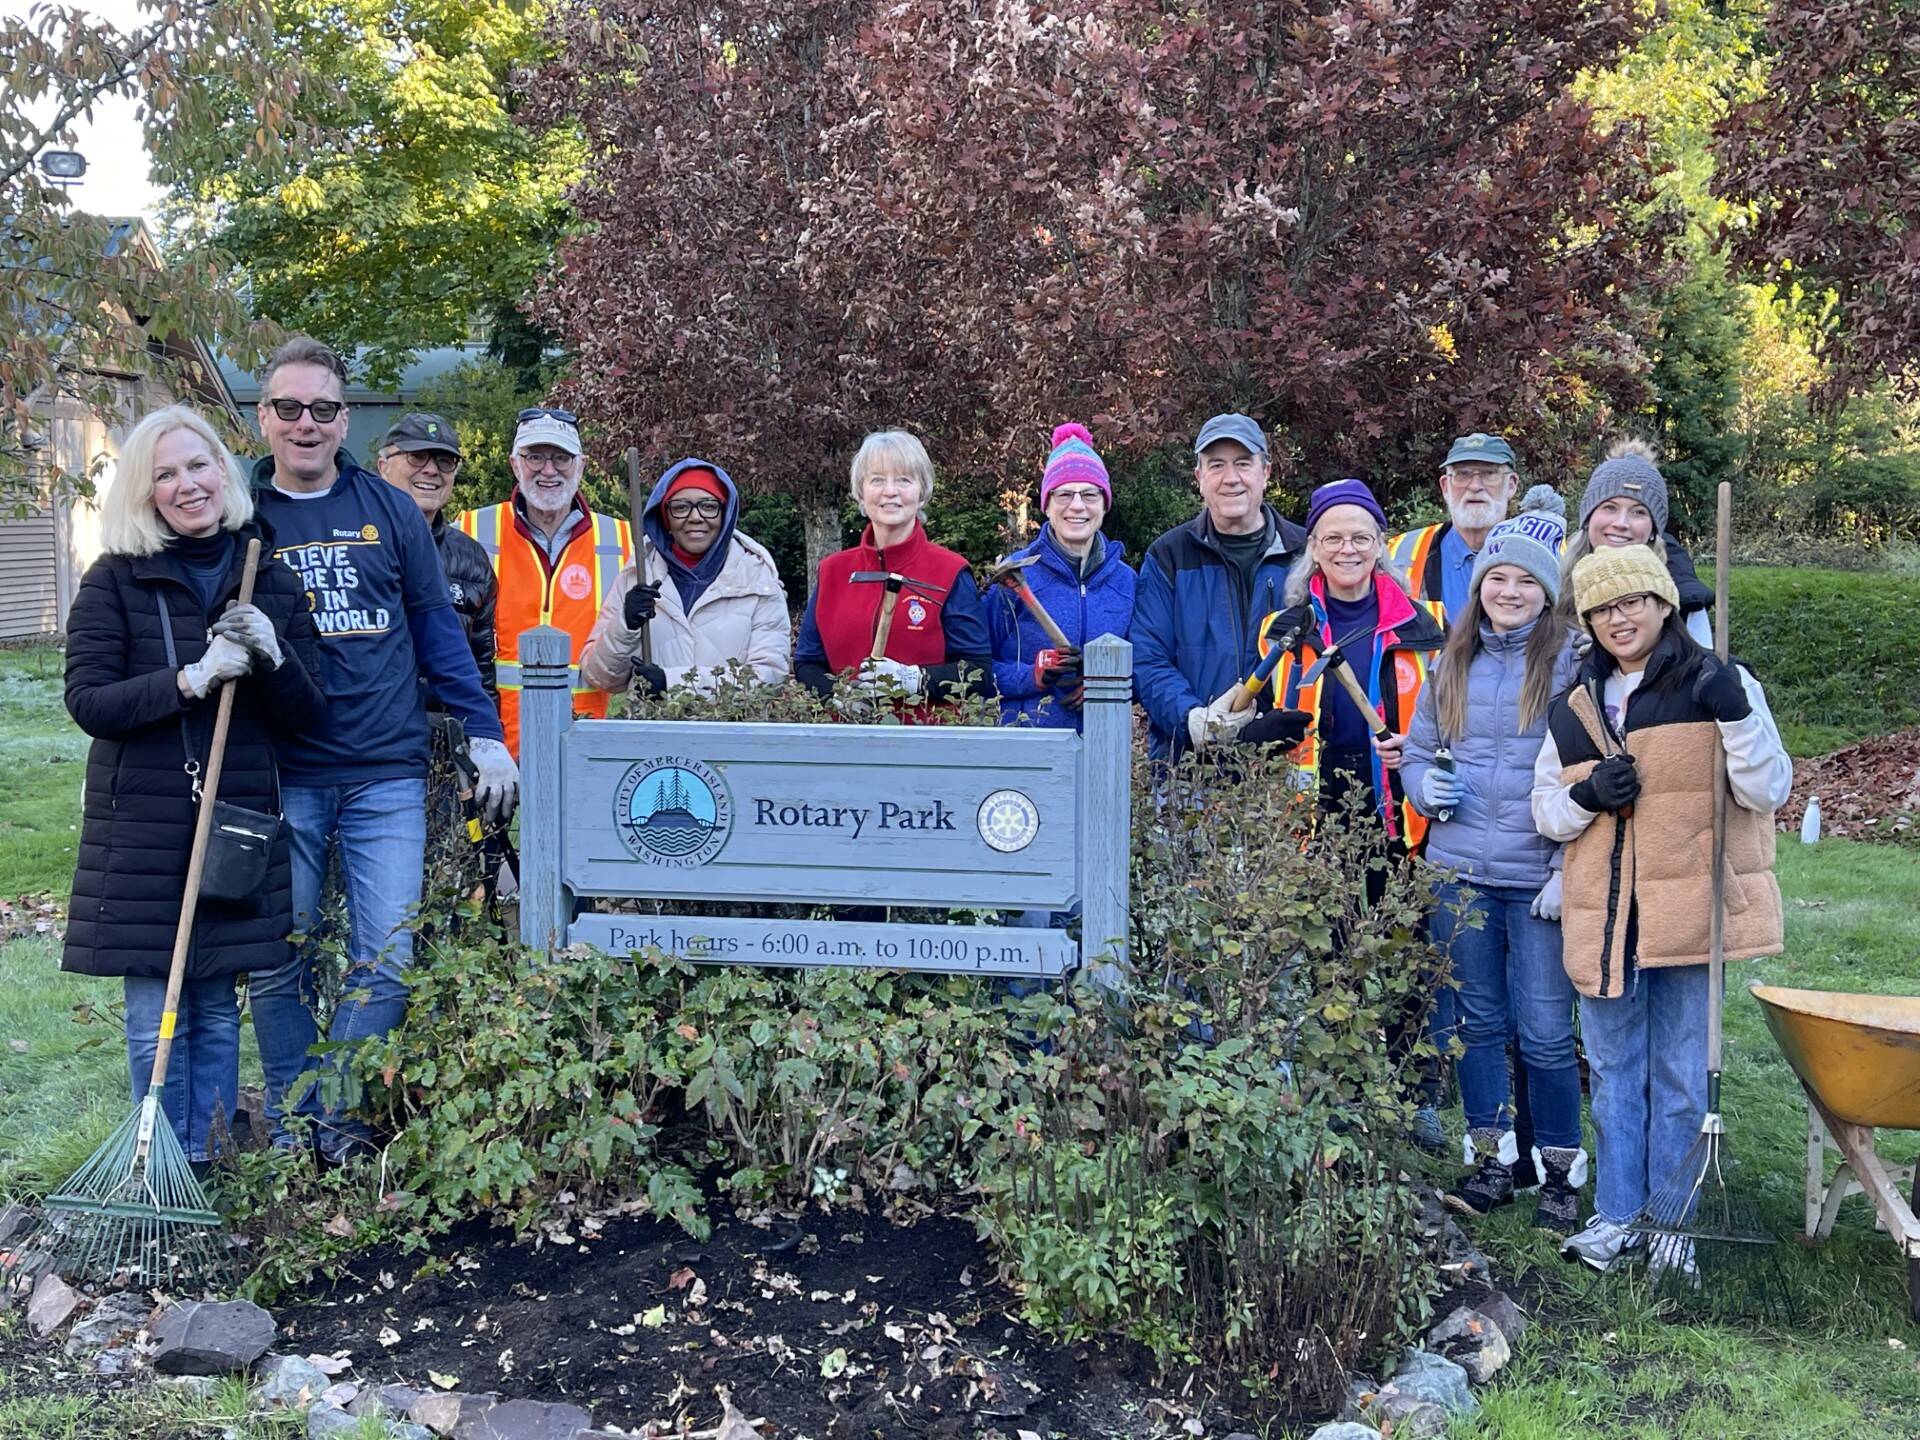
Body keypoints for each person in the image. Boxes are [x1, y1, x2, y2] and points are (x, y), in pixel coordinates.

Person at [248, 336, 515, 1162]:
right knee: (276, 962)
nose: (305, 423)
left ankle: (335, 1115)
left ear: (343, 421)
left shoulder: (387, 510)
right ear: (265, 418)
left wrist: (484, 734)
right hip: (278, 771)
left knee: (387, 958)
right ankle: (295, 1129)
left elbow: (440, 632)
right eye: (288, 408)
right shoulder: (238, 515)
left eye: (323, 409)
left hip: (383, 772)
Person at [63, 405, 326, 1173]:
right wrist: (191, 678)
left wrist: (273, 657)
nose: (187, 486)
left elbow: (308, 716)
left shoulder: (265, 577)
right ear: (145, 495)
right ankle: (157, 1169)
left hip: (232, 817)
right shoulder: (116, 580)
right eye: (165, 475)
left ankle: (203, 1169)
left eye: (198, 466)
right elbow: (90, 703)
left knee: (215, 1005)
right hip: (143, 826)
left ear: (224, 471)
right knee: (156, 1010)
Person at [1533, 547, 1790, 1272]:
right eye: (1603, 609)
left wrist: (1735, 715)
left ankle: (1672, 1227)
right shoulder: (1574, 704)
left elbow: (1769, 789)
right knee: (1615, 1075)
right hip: (1608, 916)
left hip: (1689, 915)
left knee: (1679, 1075)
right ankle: (1617, 1217)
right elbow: (1545, 811)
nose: (1619, 619)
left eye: (1632, 602)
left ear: (1662, 604)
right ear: (1587, 620)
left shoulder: (1717, 681)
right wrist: (1584, 797)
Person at [1403, 492, 1586, 1229]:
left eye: (1526, 582)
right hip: (1458, 871)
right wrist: (1425, 787)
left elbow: (1587, 770)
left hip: (1534, 875)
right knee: (1478, 1024)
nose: (1509, 593)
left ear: (1547, 593)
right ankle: (1490, 1162)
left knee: (1543, 1031)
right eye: (1497, 580)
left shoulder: (1570, 662)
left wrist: (1565, 869)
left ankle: (1561, 1176)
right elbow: (1417, 753)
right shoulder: (1455, 658)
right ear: (1480, 588)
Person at [1248, 478, 1449, 1148]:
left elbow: (1452, 723)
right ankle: (1338, 1088)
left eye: (1361, 535)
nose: (1347, 548)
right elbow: (1264, 707)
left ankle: (1406, 1093)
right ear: (1313, 549)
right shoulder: (1288, 628)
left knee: (1402, 950)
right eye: (1332, 537)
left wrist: (1418, 752)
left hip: (1399, 814)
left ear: (1380, 544)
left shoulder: (1426, 626)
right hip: (1316, 814)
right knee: (1329, 950)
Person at [455, 407, 634, 753]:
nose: (548, 470)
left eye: (561, 458)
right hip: (493, 747)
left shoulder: (625, 542)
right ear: (514, 464)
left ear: (581, 465)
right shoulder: (470, 530)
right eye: (534, 456)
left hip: (596, 748)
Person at [1130, 413, 1308, 760]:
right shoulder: (1170, 556)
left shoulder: (1305, 553)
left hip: (1291, 762)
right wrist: (1193, 720)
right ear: (1199, 478)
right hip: (1189, 767)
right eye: (1216, 465)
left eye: (1243, 463)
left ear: (1266, 472)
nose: (1231, 479)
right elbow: (1147, 658)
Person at [794, 430, 994, 712]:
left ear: (922, 492)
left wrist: (913, 679)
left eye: (904, 480)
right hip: (846, 741)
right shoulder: (833, 571)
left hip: (925, 744)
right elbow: (807, 662)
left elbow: (979, 671)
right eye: (877, 480)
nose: (890, 491)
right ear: (861, 493)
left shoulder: (950, 571)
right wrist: (837, 697)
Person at [578, 458, 791, 695]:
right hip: (653, 731)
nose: (695, 517)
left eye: (708, 506)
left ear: (725, 514)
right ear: (665, 516)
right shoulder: (637, 576)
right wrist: (625, 627)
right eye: (680, 507)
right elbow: (599, 677)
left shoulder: (758, 582)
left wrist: (671, 684)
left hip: (731, 731)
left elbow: (770, 678)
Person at [987, 423, 1136, 731]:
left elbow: (1149, 665)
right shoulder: (1013, 579)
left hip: (1104, 745)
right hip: (1027, 748)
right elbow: (975, 670)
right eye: (1064, 494)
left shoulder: (1127, 583)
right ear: (1047, 503)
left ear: (1105, 503)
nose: (1077, 506)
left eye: (1090, 494)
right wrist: (1032, 676)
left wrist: (1108, 683)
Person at [375, 413, 497, 708]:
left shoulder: (472, 560)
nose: (431, 470)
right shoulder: (352, 544)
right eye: (416, 456)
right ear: (383, 465)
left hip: (446, 741)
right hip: (371, 741)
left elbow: (482, 671)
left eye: (445, 461)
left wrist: (485, 739)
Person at [1560, 439, 1713, 646]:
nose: (1621, 523)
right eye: (1610, 508)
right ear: (1587, 519)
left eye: (1638, 512)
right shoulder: (1553, 588)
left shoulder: (1686, 602)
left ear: (1653, 531)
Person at [1387, 432, 1521, 623]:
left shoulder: (1551, 552)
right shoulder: (1399, 553)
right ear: (1445, 487)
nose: (1475, 486)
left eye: (1489, 473)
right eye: (1462, 474)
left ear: (1511, 485)